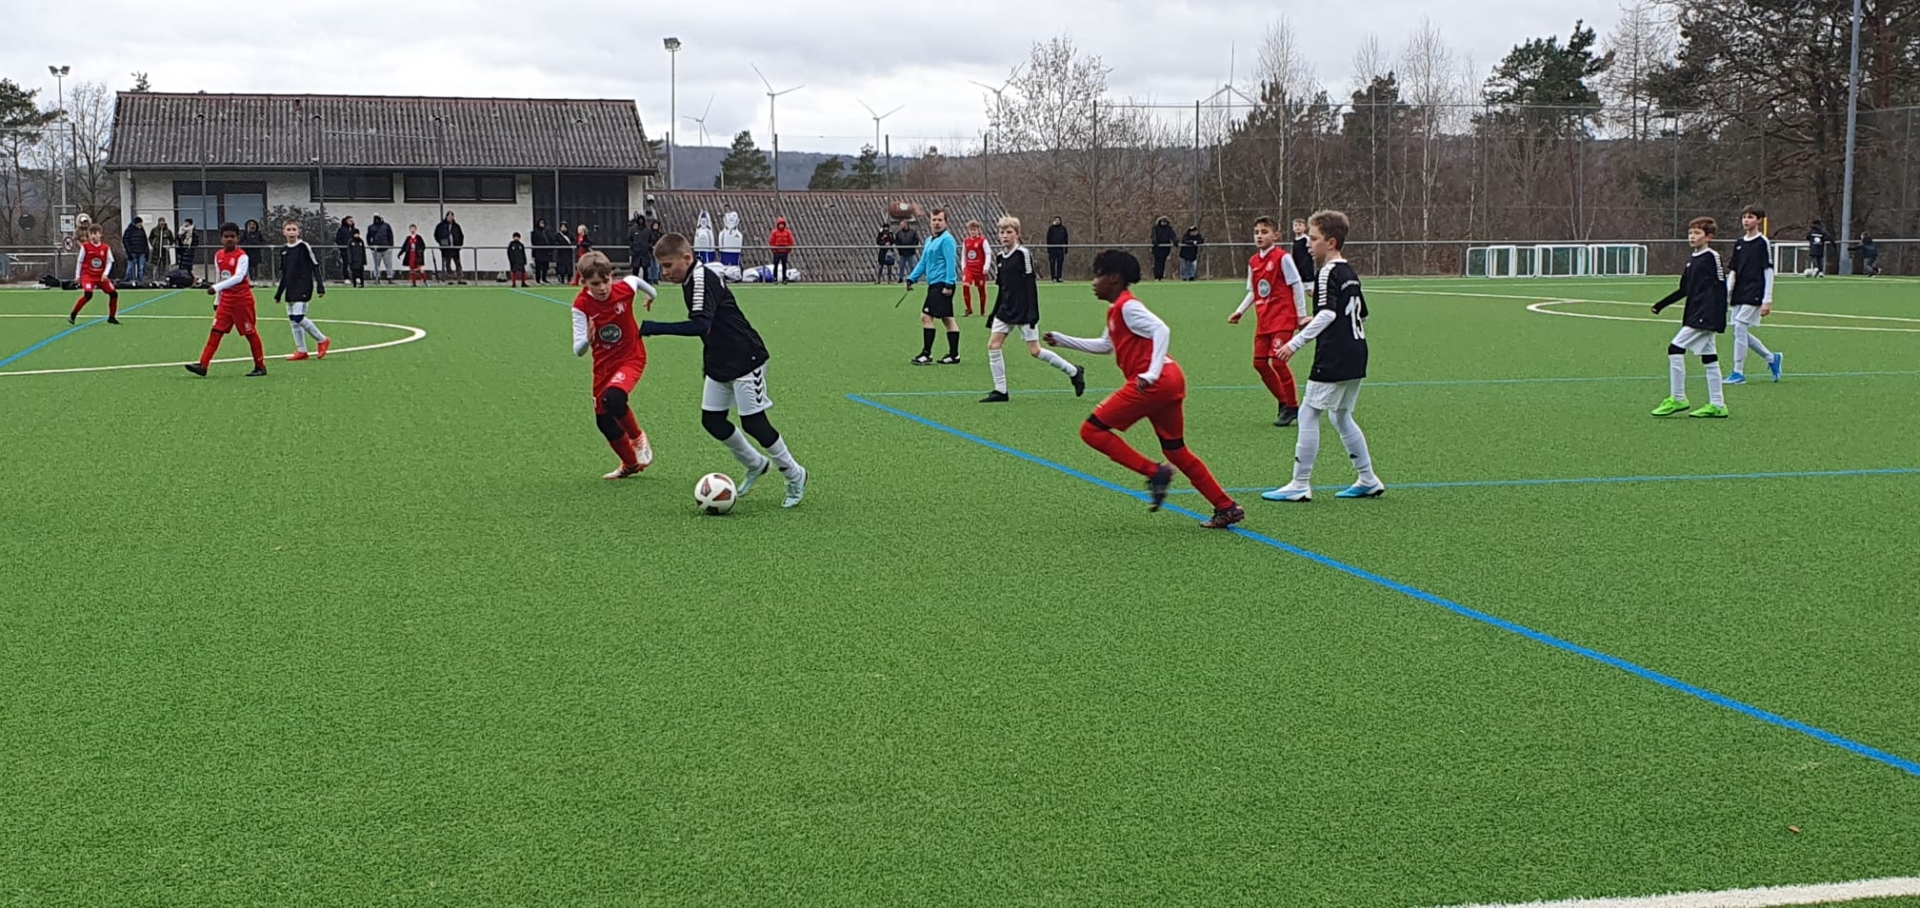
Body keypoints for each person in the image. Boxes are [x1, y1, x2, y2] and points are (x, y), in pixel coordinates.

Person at [1043, 249, 1244, 529]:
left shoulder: (1128, 307)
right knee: (1175, 449)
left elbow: (1162, 329)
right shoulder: (1117, 309)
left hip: (1154, 382)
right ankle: (1226, 506)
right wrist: (1062, 340)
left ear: (1114, 278)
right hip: (1169, 380)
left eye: (1098, 276)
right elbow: (1106, 345)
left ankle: (1155, 472)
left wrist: (1152, 372)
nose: (1093, 282)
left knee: (1091, 431)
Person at [646, 233, 810, 507]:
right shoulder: (690, 278)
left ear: (686, 258)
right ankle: (756, 464)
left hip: (746, 357)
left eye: (668, 266)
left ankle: (795, 474)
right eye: (661, 266)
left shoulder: (701, 278)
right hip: (720, 360)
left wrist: (652, 328)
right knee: (712, 420)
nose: (664, 272)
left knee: (754, 423)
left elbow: (700, 325)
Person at [1263, 210, 1384, 502]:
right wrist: (1316, 319)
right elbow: (1361, 314)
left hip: (1335, 354)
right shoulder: (1348, 271)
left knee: (1308, 413)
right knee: (1341, 415)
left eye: (1314, 238)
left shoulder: (1327, 272)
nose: (1308, 243)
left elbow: (1329, 313)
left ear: (1331, 242)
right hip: (1357, 350)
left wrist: (1295, 343)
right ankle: (1368, 479)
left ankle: (1300, 484)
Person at [978, 216, 1086, 404]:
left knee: (1035, 351)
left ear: (1017, 234)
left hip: (1023, 310)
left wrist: (1033, 313)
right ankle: (1001, 391)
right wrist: (994, 313)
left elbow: (1030, 284)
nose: (1005, 235)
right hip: (1005, 310)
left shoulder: (1023, 255)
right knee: (993, 345)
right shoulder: (1000, 257)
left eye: (1009, 232)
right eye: (1002, 232)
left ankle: (1074, 371)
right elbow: (1002, 289)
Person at [572, 251, 657, 480]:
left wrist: (651, 297)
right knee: (604, 421)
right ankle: (630, 464)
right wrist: (587, 340)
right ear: (584, 282)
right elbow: (578, 350)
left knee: (615, 399)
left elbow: (638, 282)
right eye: (595, 284)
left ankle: (638, 438)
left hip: (631, 357)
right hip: (603, 367)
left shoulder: (624, 289)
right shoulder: (581, 305)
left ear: (611, 275)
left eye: (605, 281)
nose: (602, 288)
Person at [1228, 217, 1309, 427]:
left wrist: (1301, 315)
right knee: (1259, 363)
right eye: (1256, 232)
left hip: (1283, 318)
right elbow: (1254, 291)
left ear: (1276, 236)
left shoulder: (1283, 258)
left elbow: (1297, 285)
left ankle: (1292, 406)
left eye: (1264, 232)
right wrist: (1239, 311)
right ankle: (1284, 402)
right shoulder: (1253, 262)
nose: (1259, 236)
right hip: (1264, 320)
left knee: (1278, 362)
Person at [1649, 216, 1731, 419]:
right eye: (1690, 233)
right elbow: (1684, 289)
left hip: (1706, 315)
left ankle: (1678, 398)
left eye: (1697, 233)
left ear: (1709, 237)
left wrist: (1718, 315)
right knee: (1709, 357)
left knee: (1675, 348)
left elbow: (1721, 286)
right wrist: (1661, 304)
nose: (1692, 236)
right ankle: (1718, 404)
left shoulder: (1712, 257)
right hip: (1695, 313)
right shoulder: (1691, 260)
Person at [185, 223, 268, 377]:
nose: (229, 239)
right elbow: (220, 276)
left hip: (242, 300)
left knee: (250, 332)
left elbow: (239, 277)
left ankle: (260, 366)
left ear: (237, 238)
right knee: (216, 331)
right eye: (226, 236)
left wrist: (216, 288)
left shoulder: (242, 256)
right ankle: (203, 365)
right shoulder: (218, 255)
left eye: (232, 236)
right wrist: (217, 300)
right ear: (221, 239)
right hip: (226, 301)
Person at [1726, 205, 1783, 385]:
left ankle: (1738, 372)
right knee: (1740, 330)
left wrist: (1767, 299)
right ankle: (1772, 358)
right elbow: (1734, 270)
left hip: (1755, 291)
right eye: (1744, 217)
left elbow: (1768, 271)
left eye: (1750, 217)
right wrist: (1727, 292)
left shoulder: (1762, 242)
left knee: (1740, 327)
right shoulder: (1739, 243)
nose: (1746, 220)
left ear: (1759, 220)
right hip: (1739, 292)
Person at [905, 208, 961, 365]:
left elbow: (951, 262)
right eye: (934, 220)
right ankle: (954, 355)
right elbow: (923, 262)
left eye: (940, 220)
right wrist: (912, 278)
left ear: (946, 222)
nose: (936, 223)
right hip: (934, 284)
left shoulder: (947, 240)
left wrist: (949, 284)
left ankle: (926, 354)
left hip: (942, 284)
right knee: (947, 319)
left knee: (926, 316)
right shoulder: (930, 240)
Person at [274, 219, 330, 361]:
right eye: (289, 229)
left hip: (303, 286)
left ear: (299, 231)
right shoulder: (284, 250)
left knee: (298, 317)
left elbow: (315, 265)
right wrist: (279, 293)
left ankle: (322, 339)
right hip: (291, 288)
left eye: (294, 229)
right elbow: (285, 274)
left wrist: (320, 286)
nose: (291, 232)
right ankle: (301, 351)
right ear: (284, 232)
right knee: (293, 320)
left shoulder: (304, 246)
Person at [69, 224, 120, 325]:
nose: (93, 236)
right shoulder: (85, 247)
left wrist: (105, 274)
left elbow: (110, 261)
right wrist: (77, 276)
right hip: (88, 276)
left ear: (100, 234)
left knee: (114, 294)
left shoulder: (105, 248)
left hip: (100, 276)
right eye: (91, 234)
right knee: (88, 294)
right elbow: (80, 261)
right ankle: (73, 314)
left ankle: (112, 318)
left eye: (95, 233)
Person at [960, 219, 991, 316]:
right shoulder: (966, 241)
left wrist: (986, 266)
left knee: (981, 289)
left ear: (978, 230)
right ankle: (969, 309)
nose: (972, 231)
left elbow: (988, 253)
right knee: (965, 286)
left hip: (980, 270)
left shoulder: (983, 241)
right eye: (971, 229)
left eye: (974, 229)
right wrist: (963, 266)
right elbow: (963, 255)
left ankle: (982, 311)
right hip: (969, 269)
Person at [435, 211, 466, 284]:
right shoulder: (441, 226)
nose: (450, 218)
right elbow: (436, 235)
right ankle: (450, 279)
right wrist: (441, 242)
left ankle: (459, 278)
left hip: (455, 248)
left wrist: (459, 244)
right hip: (446, 249)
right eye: (449, 216)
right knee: (447, 264)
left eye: (451, 216)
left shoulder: (456, 226)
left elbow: (461, 235)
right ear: (446, 217)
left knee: (458, 263)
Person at [1291, 218, 1314, 304]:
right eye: (1296, 225)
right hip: (1297, 271)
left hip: (1306, 271)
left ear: (1305, 228)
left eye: (1300, 225)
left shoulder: (1306, 239)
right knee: (1297, 293)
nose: (1298, 227)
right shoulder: (1295, 241)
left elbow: (1310, 252)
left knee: (1311, 292)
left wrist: (1306, 265)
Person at [629, 216, 658, 285]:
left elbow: (651, 240)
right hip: (636, 253)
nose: (641, 221)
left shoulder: (647, 231)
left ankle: (646, 283)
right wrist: (633, 247)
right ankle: (634, 283)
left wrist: (648, 246)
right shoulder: (633, 230)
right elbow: (630, 240)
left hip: (645, 253)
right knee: (635, 269)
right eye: (639, 220)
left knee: (646, 270)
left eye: (642, 220)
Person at [367, 214, 395, 282]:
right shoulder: (371, 227)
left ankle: (390, 277)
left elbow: (390, 236)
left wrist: (390, 246)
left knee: (388, 264)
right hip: (376, 249)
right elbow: (368, 237)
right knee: (376, 265)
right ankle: (377, 277)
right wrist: (371, 246)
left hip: (386, 248)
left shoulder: (386, 226)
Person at [123, 216, 150, 285]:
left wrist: (147, 252)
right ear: (136, 223)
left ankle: (141, 281)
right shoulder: (129, 230)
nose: (141, 224)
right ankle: (128, 280)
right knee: (131, 267)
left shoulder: (142, 231)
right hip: (132, 251)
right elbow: (125, 241)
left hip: (142, 251)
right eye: (139, 223)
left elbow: (145, 241)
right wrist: (129, 252)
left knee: (141, 267)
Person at [768, 217, 795, 284]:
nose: (781, 225)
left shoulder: (787, 232)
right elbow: (771, 241)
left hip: (785, 251)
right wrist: (774, 250)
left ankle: (784, 279)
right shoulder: (774, 232)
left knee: (784, 265)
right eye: (780, 224)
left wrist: (789, 249)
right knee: (776, 265)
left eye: (782, 224)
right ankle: (775, 278)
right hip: (776, 251)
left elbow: (791, 241)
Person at [1150, 216, 1176, 280]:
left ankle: (1160, 276)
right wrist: (1155, 242)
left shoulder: (1169, 228)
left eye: (1165, 222)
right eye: (1162, 221)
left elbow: (1172, 236)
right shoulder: (1156, 228)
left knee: (1162, 263)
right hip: (1157, 248)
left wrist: (1175, 241)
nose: (1164, 223)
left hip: (1165, 248)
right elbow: (1153, 236)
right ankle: (1156, 276)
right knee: (1157, 263)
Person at [333, 216, 357, 282]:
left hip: (353, 250)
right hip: (345, 250)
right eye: (350, 220)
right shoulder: (341, 229)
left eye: (352, 220)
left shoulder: (354, 230)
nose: (351, 222)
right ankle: (346, 278)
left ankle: (355, 277)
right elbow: (338, 239)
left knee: (355, 264)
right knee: (345, 264)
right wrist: (342, 246)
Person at [531, 219, 555, 284]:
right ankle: (538, 279)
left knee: (545, 266)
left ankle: (544, 278)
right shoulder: (535, 232)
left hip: (546, 252)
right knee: (538, 267)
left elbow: (550, 240)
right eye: (541, 223)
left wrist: (551, 248)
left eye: (543, 223)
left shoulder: (546, 232)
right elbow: (534, 242)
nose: (542, 224)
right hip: (539, 252)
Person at [1046, 216, 1069, 282]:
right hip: (1052, 249)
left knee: (1060, 263)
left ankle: (1059, 277)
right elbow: (1048, 238)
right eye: (1056, 220)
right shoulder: (1051, 228)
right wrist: (1048, 249)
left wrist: (1066, 249)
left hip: (1060, 249)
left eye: (1058, 220)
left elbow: (1066, 239)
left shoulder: (1063, 228)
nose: (1057, 221)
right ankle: (1053, 277)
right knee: (1052, 263)